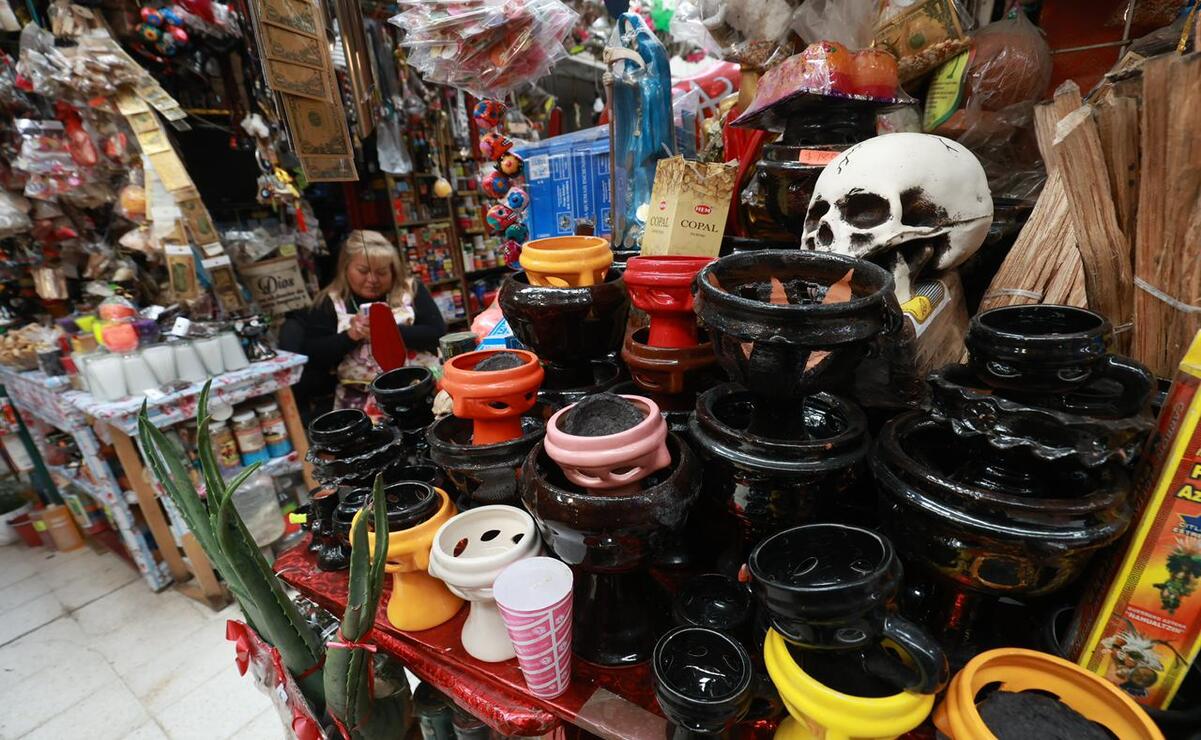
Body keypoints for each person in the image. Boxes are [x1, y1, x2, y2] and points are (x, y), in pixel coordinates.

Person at [281, 230, 445, 417]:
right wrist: (350, 336)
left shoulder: (410, 289)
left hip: (420, 391)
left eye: (382, 272)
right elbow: (312, 354)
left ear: (393, 270)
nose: (372, 280)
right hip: (358, 403)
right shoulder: (330, 302)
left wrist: (387, 331)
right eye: (363, 271)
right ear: (346, 268)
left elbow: (436, 333)